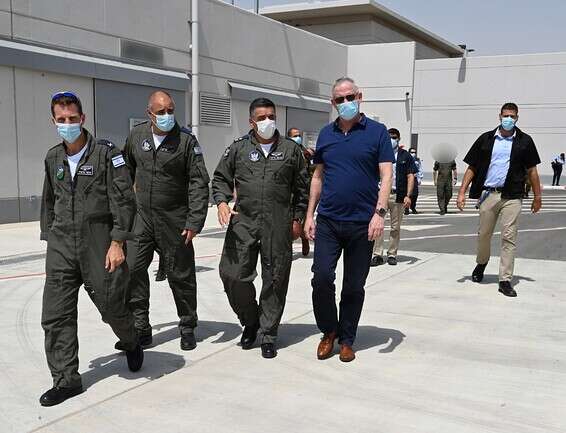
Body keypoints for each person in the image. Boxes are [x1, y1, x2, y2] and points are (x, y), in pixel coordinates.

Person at [39, 91, 143, 407]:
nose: (67, 124)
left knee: (111, 305)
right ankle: (66, 380)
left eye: (72, 118)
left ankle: (131, 339)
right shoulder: (53, 158)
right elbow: (49, 201)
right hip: (62, 244)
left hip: (99, 242)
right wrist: (50, 237)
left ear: (83, 118)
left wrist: (117, 242)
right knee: (55, 315)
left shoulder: (106, 154)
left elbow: (124, 201)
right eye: (61, 119)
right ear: (53, 121)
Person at [304, 77, 394, 362]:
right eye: (340, 99)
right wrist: (309, 214)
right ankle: (328, 331)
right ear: (333, 103)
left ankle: (347, 339)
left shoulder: (377, 132)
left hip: (362, 224)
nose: (345, 103)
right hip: (329, 221)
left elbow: (386, 175)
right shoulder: (326, 134)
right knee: (321, 278)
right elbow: (318, 176)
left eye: (350, 97)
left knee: (354, 286)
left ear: (359, 97)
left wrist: (379, 214)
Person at [212, 98, 309, 359]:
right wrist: (221, 202)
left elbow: (302, 188)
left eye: (271, 116)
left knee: (275, 279)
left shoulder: (291, 150)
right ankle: (251, 320)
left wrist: (298, 219)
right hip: (243, 221)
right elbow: (220, 178)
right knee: (232, 274)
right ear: (251, 122)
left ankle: (268, 334)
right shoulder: (238, 148)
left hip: (278, 222)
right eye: (262, 117)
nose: (268, 121)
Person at [121, 90, 210, 351]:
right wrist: (123, 211)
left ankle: (187, 325)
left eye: (170, 110)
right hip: (142, 218)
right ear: (149, 113)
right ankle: (141, 326)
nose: (167, 116)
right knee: (134, 269)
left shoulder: (186, 141)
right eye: (161, 112)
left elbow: (198, 182)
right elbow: (125, 172)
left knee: (180, 275)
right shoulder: (137, 136)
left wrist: (194, 221)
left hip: (175, 219)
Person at [457, 102, 542, 297]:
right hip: (489, 195)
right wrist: (462, 192)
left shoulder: (525, 141)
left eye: (512, 116)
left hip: (513, 195)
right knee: (484, 235)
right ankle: (481, 263)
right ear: (499, 116)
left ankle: (505, 280)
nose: (508, 119)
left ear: (517, 118)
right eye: (506, 115)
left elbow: (532, 171)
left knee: (509, 237)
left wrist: (537, 197)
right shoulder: (486, 139)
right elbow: (472, 167)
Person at [371, 128, 415, 266]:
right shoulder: (379, 153)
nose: (392, 140)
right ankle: (377, 254)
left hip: (398, 195)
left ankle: (392, 254)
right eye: (389, 137)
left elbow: (410, 176)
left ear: (399, 139)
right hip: (381, 195)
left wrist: (408, 195)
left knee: (395, 227)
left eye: (394, 137)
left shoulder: (405, 156)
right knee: (378, 224)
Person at [288, 126, 313, 256]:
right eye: (294, 136)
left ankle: (304, 238)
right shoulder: (286, 150)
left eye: (298, 135)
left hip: (304, 191)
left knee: (303, 218)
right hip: (291, 192)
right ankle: (288, 247)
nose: (297, 138)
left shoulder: (305, 152)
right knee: (290, 222)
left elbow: (311, 169)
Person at [407, 147, 423, 214]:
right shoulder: (406, 159)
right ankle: (406, 208)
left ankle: (413, 207)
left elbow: (420, 169)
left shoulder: (417, 160)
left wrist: (420, 178)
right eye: (412, 152)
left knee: (415, 194)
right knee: (408, 193)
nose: (413, 154)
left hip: (415, 178)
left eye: (414, 152)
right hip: (407, 178)